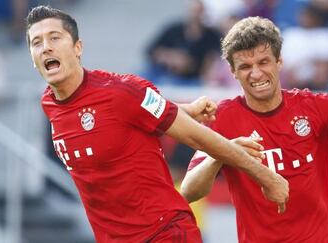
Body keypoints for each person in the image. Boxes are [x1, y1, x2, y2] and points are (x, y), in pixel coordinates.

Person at [25, 6, 288, 242]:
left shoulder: (121, 91)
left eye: (54, 38)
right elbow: (117, 124)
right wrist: (184, 109)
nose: (46, 47)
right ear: (32, 56)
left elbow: (198, 138)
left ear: (77, 48)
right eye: (37, 42)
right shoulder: (49, 103)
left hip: (164, 233)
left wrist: (265, 175)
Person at [180, 16, 328, 243]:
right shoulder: (222, 119)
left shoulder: (313, 106)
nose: (256, 74)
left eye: (263, 62)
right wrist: (225, 152)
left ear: (279, 61)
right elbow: (189, 190)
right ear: (233, 71)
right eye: (245, 66)